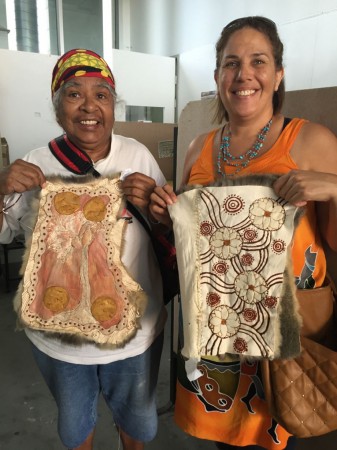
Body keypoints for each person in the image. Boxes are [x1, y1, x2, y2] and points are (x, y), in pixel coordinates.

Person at [149, 16, 337, 450]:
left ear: (278, 73)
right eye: (231, 63)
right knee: (226, 441)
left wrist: (334, 189)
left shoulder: (310, 141)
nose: (243, 75)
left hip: (287, 338)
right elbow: (197, 246)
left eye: (258, 61)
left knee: (286, 428)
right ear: (217, 77)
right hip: (217, 334)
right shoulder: (200, 148)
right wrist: (167, 216)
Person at [0, 49, 167, 450]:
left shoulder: (138, 156)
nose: (89, 106)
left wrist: (157, 205)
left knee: (138, 424)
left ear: (113, 106)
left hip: (134, 333)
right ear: (58, 109)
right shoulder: (35, 165)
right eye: (74, 94)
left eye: (102, 95)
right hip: (61, 338)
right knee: (76, 429)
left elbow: (170, 231)